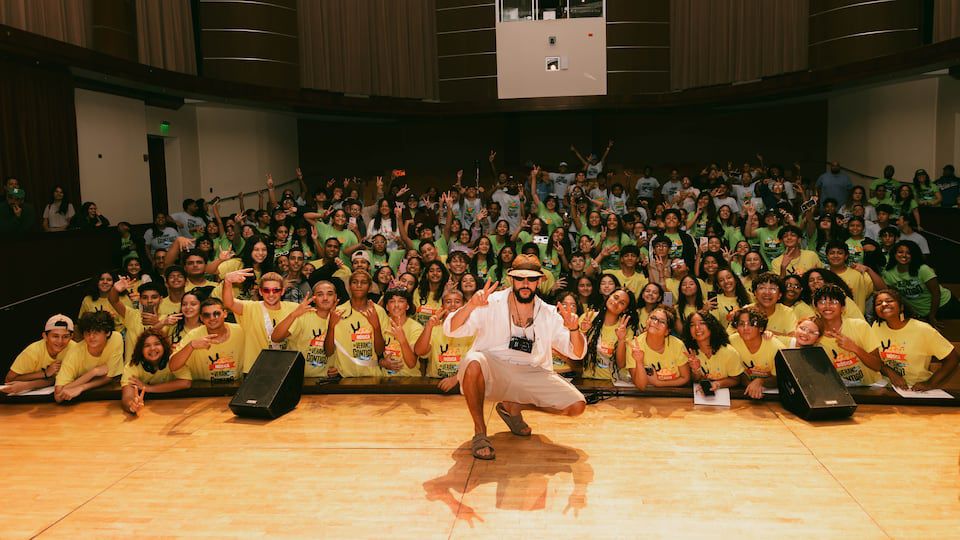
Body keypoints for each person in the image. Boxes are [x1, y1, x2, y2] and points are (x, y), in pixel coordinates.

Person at [443, 255, 586, 460]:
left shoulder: (548, 312)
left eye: (531, 279)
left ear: (539, 281)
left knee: (576, 406)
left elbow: (577, 352)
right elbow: (451, 329)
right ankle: (480, 432)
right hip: (495, 369)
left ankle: (513, 406)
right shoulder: (489, 302)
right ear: (511, 279)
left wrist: (574, 329)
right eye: (520, 278)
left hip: (532, 371)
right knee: (473, 361)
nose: (525, 284)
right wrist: (471, 305)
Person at [872, 290, 960, 390]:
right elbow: (874, 358)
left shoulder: (923, 329)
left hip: (914, 389)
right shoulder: (876, 326)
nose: (883, 304)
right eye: (878, 303)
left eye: (889, 301)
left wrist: (929, 383)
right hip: (885, 388)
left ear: (901, 307)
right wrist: (889, 372)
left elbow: (953, 358)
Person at [221, 270, 299, 373]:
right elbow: (229, 303)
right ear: (261, 292)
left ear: (282, 291)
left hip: (283, 369)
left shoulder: (294, 308)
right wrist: (227, 282)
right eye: (266, 290)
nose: (271, 294)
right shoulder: (251, 308)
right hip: (255, 370)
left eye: (276, 290)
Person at [812, 284, 882, 386]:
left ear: (843, 308)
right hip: (838, 391)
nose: (827, 306)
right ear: (816, 308)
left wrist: (854, 348)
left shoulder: (860, 326)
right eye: (822, 302)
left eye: (833, 302)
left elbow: (877, 365)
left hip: (871, 387)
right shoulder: (814, 335)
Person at [324, 270, 390, 377]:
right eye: (355, 282)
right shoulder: (337, 312)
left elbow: (380, 351)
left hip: (372, 376)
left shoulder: (378, 311)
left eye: (363, 282)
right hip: (344, 377)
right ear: (349, 287)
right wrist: (331, 326)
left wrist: (376, 326)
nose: (359, 285)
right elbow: (328, 352)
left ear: (369, 288)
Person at [271, 281, 340, 378]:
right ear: (314, 299)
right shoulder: (303, 316)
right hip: (299, 379)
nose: (325, 298)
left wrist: (338, 369)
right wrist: (294, 314)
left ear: (335, 297)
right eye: (320, 294)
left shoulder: (341, 318)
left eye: (330, 294)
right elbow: (275, 338)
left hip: (327, 381)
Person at [169, 297, 246, 382]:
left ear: (225, 314)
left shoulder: (241, 330)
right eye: (206, 315)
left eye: (216, 314)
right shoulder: (194, 335)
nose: (212, 318)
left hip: (236, 386)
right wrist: (191, 345)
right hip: (204, 388)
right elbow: (173, 366)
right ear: (201, 318)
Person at [54, 311, 124, 403]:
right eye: (87, 332)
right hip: (82, 400)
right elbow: (58, 395)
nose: (91, 337)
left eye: (97, 332)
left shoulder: (115, 339)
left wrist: (82, 387)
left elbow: (109, 377)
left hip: (109, 395)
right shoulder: (74, 353)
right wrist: (93, 372)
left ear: (107, 333)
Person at [120, 329, 192, 414]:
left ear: (164, 346)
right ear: (141, 350)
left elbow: (186, 383)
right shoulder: (132, 366)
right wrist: (132, 406)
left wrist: (148, 388)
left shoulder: (174, 359)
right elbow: (127, 396)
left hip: (174, 405)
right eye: (147, 345)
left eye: (157, 344)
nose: (152, 348)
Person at [3, 315, 75, 395]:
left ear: (71, 336)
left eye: (65, 337)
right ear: (45, 336)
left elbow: (54, 380)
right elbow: (9, 380)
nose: (60, 341)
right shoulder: (33, 351)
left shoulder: (74, 349)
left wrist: (29, 385)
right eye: (55, 336)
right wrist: (45, 373)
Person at [580, 288, 638, 383]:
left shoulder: (626, 328)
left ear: (625, 309)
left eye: (622, 303)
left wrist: (621, 339)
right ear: (608, 297)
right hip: (587, 380)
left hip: (614, 382)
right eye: (615, 297)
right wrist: (583, 332)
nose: (616, 302)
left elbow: (621, 364)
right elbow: (575, 352)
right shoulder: (588, 317)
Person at [630, 304, 691, 390]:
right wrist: (639, 361)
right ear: (646, 321)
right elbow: (641, 386)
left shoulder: (678, 345)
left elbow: (685, 378)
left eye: (662, 321)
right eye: (653, 318)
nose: (655, 322)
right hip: (647, 396)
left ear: (667, 331)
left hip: (675, 394)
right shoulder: (634, 346)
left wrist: (659, 383)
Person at [729, 307, 784, 399]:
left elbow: (780, 379)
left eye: (751, 324)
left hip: (770, 396)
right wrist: (750, 384)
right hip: (741, 392)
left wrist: (760, 381)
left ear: (761, 328)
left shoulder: (777, 348)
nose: (745, 328)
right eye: (741, 324)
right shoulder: (731, 342)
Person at [684, 311, 743, 392]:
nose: (697, 327)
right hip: (700, 395)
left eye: (702, 323)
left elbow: (736, 380)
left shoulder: (729, 352)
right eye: (692, 325)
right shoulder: (689, 353)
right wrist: (696, 370)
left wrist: (717, 384)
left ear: (711, 326)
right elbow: (694, 381)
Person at [379, 288, 424, 376]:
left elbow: (411, 364)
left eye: (401, 301)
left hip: (410, 380)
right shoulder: (382, 324)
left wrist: (402, 339)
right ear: (387, 307)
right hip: (386, 380)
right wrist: (382, 362)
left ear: (407, 306)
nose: (396, 305)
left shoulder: (416, 328)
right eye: (392, 301)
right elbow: (375, 354)